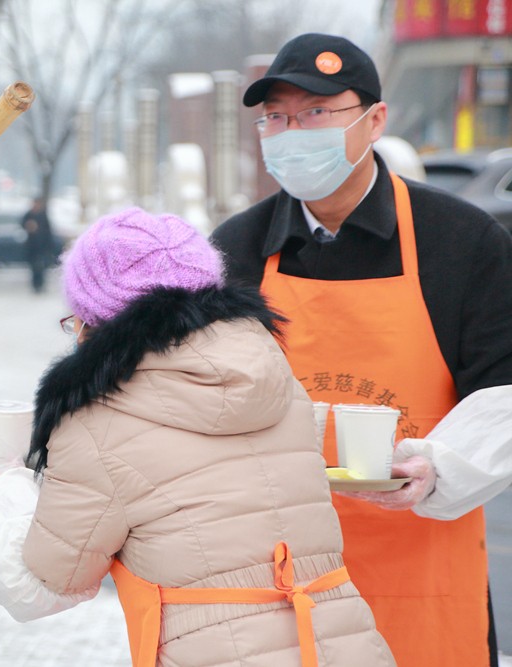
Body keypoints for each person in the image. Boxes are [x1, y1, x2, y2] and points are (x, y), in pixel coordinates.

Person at [0, 207, 395, 667]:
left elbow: (42, 584)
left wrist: (3, 490)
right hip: (345, 645)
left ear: (94, 321)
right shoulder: (273, 373)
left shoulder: (98, 416)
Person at [210, 33, 512, 667]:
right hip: (276, 575)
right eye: (278, 117)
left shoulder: (459, 240)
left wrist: (444, 469)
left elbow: (504, 393)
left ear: (375, 119)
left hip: (423, 562)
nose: (293, 131)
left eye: (316, 112)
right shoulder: (236, 248)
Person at [20, 197, 56, 293]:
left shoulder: (43, 215)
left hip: (42, 246)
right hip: (32, 246)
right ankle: (35, 285)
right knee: (33, 267)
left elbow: (48, 231)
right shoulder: (29, 215)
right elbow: (22, 224)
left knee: (42, 267)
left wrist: (49, 245)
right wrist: (28, 225)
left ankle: (41, 284)